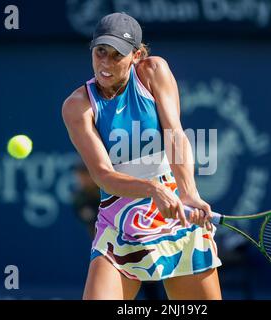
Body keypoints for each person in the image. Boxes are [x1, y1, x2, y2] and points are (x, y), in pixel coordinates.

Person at [62, 12, 222, 300]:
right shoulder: (77, 106)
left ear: (136, 55)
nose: (106, 63)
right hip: (119, 222)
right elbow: (103, 176)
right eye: (100, 52)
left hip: (177, 218)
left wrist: (189, 193)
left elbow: (175, 134)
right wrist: (153, 190)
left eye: (117, 55)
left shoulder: (154, 71)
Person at [72, 161, 101, 239]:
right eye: (80, 175)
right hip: (99, 238)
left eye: (86, 174)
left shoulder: (107, 190)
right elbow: (89, 218)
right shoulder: (79, 198)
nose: (82, 178)